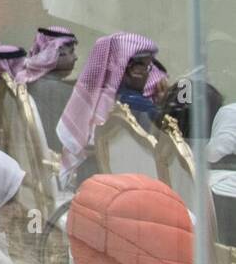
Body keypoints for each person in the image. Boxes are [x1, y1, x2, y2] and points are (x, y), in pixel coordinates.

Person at [57, 32, 168, 184]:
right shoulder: (142, 108)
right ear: (133, 70)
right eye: (148, 67)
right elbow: (168, 155)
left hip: (91, 184)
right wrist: (163, 104)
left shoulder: (92, 102)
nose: (149, 76)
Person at [17, 26, 79, 150]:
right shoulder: (62, 92)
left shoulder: (26, 79)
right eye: (71, 52)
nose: (76, 57)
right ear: (55, 55)